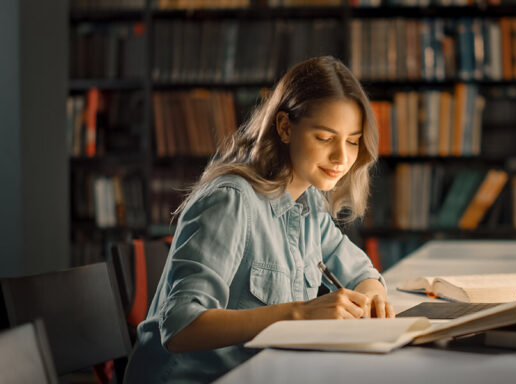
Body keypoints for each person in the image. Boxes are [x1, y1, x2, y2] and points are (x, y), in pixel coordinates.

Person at [124, 56, 394, 383]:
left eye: (352, 141)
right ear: (284, 127)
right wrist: (299, 315)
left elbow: (361, 272)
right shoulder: (229, 201)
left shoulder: (308, 204)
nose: (342, 157)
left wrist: (372, 297)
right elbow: (181, 327)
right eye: (324, 138)